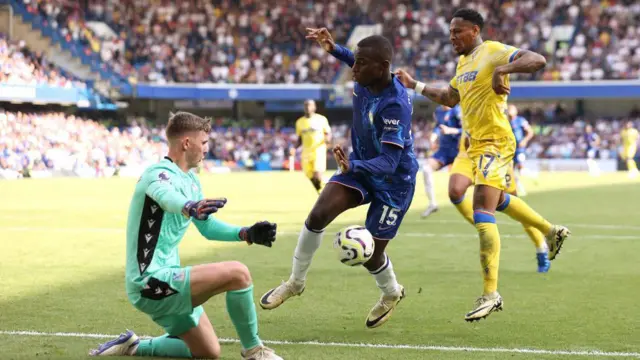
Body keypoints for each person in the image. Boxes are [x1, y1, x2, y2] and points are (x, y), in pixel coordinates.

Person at [395, 8, 570, 322]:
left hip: (496, 142)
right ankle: (550, 230)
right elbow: (450, 97)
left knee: (482, 209)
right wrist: (414, 85)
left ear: (474, 30)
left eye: (457, 31)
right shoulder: (463, 63)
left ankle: (491, 294)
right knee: (479, 196)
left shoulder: (492, 51)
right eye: (450, 32)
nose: (452, 38)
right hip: (472, 144)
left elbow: (538, 60)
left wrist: (504, 70)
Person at [89, 112, 282, 360]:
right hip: (149, 281)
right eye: (203, 143)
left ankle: (133, 346)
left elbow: (208, 227)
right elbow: (166, 196)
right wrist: (189, 206)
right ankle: (254, 351)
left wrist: (245, 233)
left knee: (208, 352)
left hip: (168, 279)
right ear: (186, 143)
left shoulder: (191, 181)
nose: (206, 149)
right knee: (239, 273)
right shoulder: (157, 174)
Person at [260, 28, 418, 329]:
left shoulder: (395, 104)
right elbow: (356, 59)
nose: (353, 69)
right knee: (318, 214)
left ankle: (391, 293)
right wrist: (334, 48)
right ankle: (295, 282)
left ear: (383, 67)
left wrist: (353, 165)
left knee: (371, 255)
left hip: (394, 183)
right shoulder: (366, 75)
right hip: (358, 169)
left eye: (361, 64)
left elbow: (388, 162)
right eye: (354, 62)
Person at [421, 104, 462, 218]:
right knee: (426, 169)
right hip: (443, 151)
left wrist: (451, 130)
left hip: (460, 151)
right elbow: (438, 126)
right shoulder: (438, 111)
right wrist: (433, 136)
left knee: (467, 181)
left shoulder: (458, 111)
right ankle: (432, 203)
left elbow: (468, 130)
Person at [293, 100, 332, 193]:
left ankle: (323, 191)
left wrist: (328, 139)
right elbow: (299, 139)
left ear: (314, 107)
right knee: (309, 175)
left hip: (319, 150)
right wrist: (294, 148)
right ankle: (322, 188)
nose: (307, 107)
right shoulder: (299, 122)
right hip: (306, 152)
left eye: (310, 105)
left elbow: (328, 133)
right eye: (306, 105)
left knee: (317, 173)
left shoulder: (321, 119)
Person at [508, 105, 534, 195]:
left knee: (521, 168)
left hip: (520, 149)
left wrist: (524, 140)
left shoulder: (520, 120)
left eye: (511, 110)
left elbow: (530, 132)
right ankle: (520, 188)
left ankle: (534, 177)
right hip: (509, 149)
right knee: (511, 171)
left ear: (516, 111)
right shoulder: (505, 121)